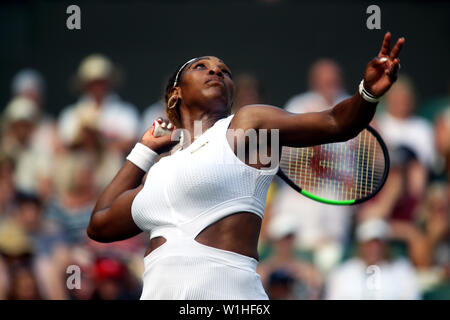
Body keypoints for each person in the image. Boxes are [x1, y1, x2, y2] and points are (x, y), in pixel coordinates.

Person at [87, 32, 404, 299]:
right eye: (202, 67)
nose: (216, 73)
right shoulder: (156, 174)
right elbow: (99, 224)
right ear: (176, 93)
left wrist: (367, 94)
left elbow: (336, 122)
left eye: (224, 72)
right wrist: (143, 151)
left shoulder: (245, 126)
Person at [325, 219, 421, 300]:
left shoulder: (402, 270)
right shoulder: (342, 273)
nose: (374, 249)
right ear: (361, 246)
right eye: (369, 244)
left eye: (378, 244)